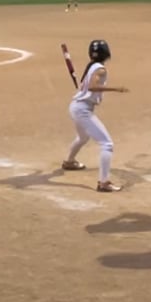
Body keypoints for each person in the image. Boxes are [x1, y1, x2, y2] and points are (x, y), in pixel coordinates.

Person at [61, 39, 126, 193]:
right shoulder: (100, 69)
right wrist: (116, 89)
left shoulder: (91, 66)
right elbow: (92, 86)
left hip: (76, 107)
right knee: (107, 144)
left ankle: (69, 162)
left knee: (83, 137)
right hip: (82, 110)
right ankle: (104, 183)